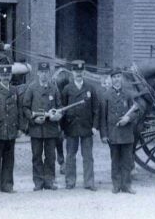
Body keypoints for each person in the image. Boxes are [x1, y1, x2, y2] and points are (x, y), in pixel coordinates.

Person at [22, 62, 62, 191]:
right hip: (36, 129)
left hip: (51, 129)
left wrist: (57, 115)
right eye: (42, 72)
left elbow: (60, 107)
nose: (44, 75)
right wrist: (33, 118)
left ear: (49, 73)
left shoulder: (54, 88)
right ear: (38, 73)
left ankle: (49, 180)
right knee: (36, 156)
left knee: (51, 156)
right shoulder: (32, 88)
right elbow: (25, 108)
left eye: (46, 72)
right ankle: (38, 181)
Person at [61, 60, 99, 191]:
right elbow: (63, 109)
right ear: (72, 72)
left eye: (81, 71)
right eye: (76, 72)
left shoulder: (90, 88)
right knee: (71, 156)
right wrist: (63, 128)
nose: (78, 74)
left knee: (88, 156)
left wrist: (94, 126)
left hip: (86, 127)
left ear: (84, 72)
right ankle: (70, 181)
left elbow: (96, 110)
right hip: (71, 127)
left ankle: (89, 182)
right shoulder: (67, 89)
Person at [100, 68, 139, 194]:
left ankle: (127, 185)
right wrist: (104, 135)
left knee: (127, 161)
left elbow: (136, 111)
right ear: (111, 79)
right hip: (114, 134)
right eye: (115, 77)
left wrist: (128, 118)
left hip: (127, 133)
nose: (117, 79)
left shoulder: (128, 94)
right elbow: (103, 117)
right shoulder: (106, 95)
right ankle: (116, 185)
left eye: (119, 77)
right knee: (115, 160)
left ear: (121, 78)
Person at [0, 65, 21, 195]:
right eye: (3, 75)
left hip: (11, 130)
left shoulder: (14, 90)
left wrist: (19, 128)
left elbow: (19, 109)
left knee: (9, 159)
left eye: (8, 75)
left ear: (10, 76)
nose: (6, 77)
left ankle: (7, 185)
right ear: (0, 76)